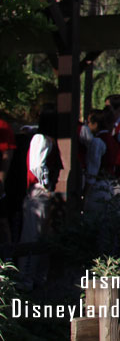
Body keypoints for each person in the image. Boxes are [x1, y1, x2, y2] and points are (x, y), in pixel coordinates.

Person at [19, 112, 63, 290]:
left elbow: (37, 165)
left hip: (41, 192)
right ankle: (30, 278)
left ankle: (32, 278)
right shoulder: (44, 138)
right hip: (43, 191)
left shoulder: (43, 138)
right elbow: (38, 165)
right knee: (37, 236)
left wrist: (46, 185)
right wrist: (48, 185)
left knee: (38, 236)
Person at [83, 109, 116, 214]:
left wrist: (85, 194)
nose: (87, 125)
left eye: (88, 122)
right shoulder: (111, 139)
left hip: (98, 187)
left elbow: (93, 170)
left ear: (95, 124)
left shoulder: (97, 142)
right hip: (109, 185)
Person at [0, 112, 16, 244]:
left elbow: (7, 156)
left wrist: (1, 180)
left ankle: (7, 258)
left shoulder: (3, 127)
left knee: (3, 222)